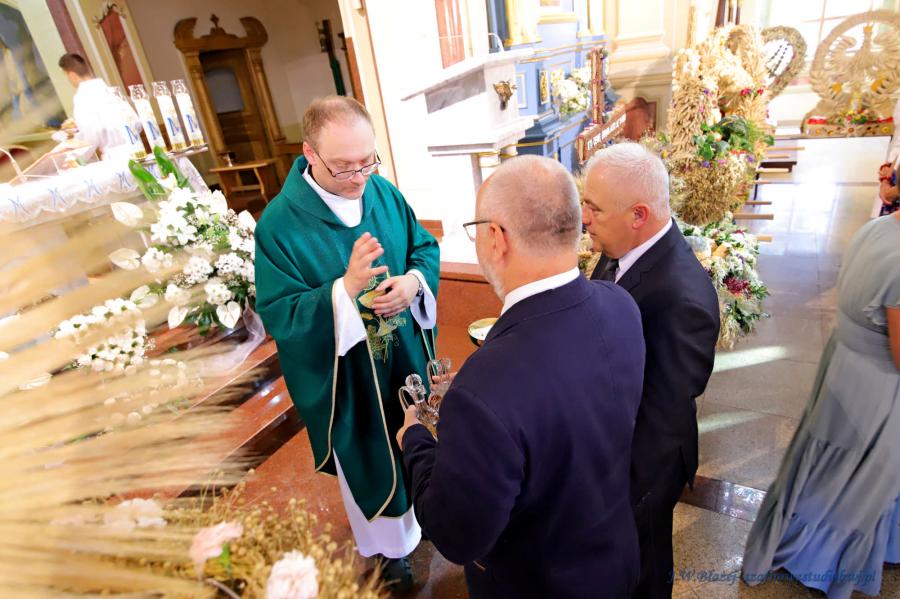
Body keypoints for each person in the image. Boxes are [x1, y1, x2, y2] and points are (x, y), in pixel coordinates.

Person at [397, 155, 645, 598]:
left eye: (476, 229)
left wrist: (415, 439)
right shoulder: (619, 304)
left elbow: (456, 535)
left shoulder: (485, 389)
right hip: (615, 558)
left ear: (496, 237)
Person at [254, 96, 439, 591]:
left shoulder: (383, 192)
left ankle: (428, 510)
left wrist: (413, 283)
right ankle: (387, 550)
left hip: (404, 354)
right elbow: (280, 311)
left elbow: (423, 246)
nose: (359, 178)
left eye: (367, 160)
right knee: (370, 450)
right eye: (343, 166)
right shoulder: (279, 225)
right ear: (309, 154)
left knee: (418, 428)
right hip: (349, 374)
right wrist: (344, 290)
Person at [582, 142, 720, 599]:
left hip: (643, 466)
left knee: (645, 563)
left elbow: (665, 414)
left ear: (638, 215)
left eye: (594, 208)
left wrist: (620, 490)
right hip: (614, 438)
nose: (585, 219)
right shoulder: (623, 244)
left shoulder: (682, 298)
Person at [742, 212, 900, 598]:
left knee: (828, 466)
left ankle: (796, 541)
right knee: (856, 480)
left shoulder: (878, 228)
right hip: (878, 388)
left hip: (846, 368)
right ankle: (818, 558)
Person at [58, 53, 140, 159]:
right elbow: (137, 123)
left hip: (116, 158)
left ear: (72, 75)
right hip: (138, 149)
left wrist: (76, 158)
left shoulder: (82, 98)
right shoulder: (109, 91)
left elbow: (91, 136)